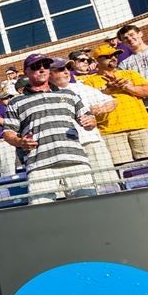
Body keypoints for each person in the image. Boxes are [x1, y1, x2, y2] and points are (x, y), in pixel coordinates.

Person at [2, 53, 98, 205]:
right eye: (35, 67)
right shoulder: (16, 102)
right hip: (39, 165)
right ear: (26, 71)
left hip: (74, 159)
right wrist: (20, 142)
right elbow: (8, 133)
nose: (41, 69)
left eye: (45, 66)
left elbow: (89, 120)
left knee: (90, 205)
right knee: (41, 212)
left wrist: (90, 121)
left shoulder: (69, 94)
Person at [79, 44, 148, 165]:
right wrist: (106, 92)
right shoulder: (89, 82)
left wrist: (126, 86)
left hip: (141, 126)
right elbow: (89, 107)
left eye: (115, 55)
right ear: (96, 60)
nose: (113, 58)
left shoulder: (130, 74)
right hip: (110, 132)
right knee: (123, 170)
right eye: (107, 56)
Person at [62, 53, 121, 191]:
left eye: (67, 68)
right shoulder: (44, 95)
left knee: (108, 185)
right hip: (68, 148)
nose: (65, 72)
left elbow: (112, 101)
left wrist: (98, 110)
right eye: (60, 69)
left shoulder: (79, 88)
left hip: (92, 142)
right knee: (81, 190)